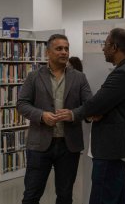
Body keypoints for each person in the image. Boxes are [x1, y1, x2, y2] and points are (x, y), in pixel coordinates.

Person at [57, 28, 125, 204]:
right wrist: (94, 110)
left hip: (111, 149)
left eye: (105, 45)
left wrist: (73, 114)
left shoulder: (122, 73)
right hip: (118, 148)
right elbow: (100, 104)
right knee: (116, 197)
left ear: (115, 47)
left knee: (102, 197)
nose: (103, 49)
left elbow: (96, 103)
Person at [17, 34, 92, 204]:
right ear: (48, 52)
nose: (64, 52)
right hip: (39, 145)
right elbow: (22, 104)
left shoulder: (79, 77)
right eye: (59, 48)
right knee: (31, 194)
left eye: (66, 48)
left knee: (65, 196)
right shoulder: (34, 77)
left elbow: (89, 106)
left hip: (69, 145)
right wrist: (41, 116)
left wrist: (73, 114)